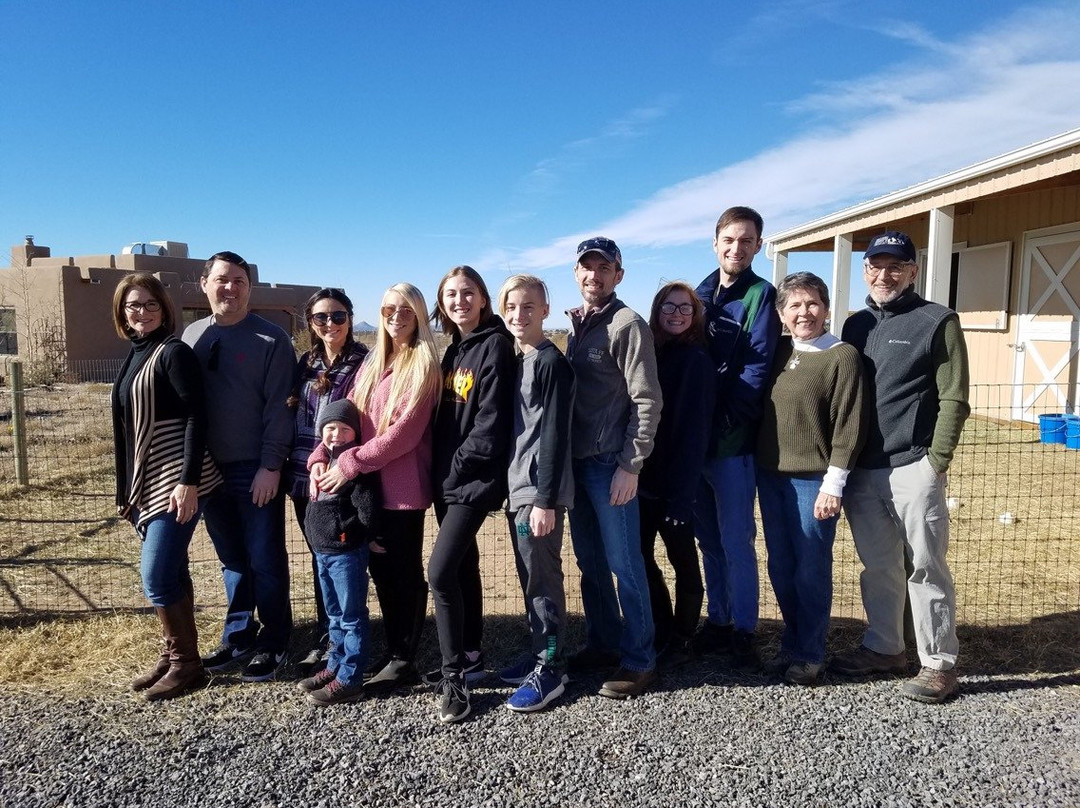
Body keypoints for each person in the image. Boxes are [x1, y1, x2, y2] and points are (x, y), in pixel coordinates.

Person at [832, 231, 970, 704]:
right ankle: (886, 647)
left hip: (913, 465)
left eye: (896, 266)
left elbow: (953, 395)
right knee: (879, 566)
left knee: (926, 565)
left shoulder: (937, 321)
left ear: (913, 270)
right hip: (863, 469)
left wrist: (937, 461)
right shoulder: (854, 326)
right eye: (875, 265)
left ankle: (937, 663)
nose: (883, 274)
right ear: (865, 270)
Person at [308, 283, 441, 690]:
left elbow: (404, 434)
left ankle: (405, 657)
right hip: (366, 489)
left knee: (402, 572)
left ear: (418, 313)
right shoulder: (373, 362)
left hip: (401, 490)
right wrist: (319, 457)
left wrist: (348, 463)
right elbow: (343, 418)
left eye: (405, 309)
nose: (396, 316)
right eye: (388, 308)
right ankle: (389, 649)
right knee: (380, 570)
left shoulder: (423, 364)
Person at [182, 251, 296, 682]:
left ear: (250, 288)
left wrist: (271, 465)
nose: (230, 288)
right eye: (222, 280)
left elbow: (280, 407)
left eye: (239, 281)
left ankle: (274, 639)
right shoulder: (192, 336)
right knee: (231, 558)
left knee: (264, 556)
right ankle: (238, 635)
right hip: (207, 470)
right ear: (204, 283)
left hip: (254, 468)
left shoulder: (270, 339)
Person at [111, 273, 222, 701]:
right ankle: (175, 654)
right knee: (173, 569)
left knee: (156, 575)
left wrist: (188, 481)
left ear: (164, 308)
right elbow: (125, 428)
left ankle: (186, 665)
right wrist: (125, 489)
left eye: (149, 304)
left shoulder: (173, 352)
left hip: (175, 477)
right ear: (122, 313)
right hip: (147, 475)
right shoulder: (134, 353)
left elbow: (198, 416)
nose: (141, 312)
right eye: (133, 306)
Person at [756, 272, 866, 686]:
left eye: (812, 303)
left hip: (813, 482)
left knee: (810, 569)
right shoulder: (779, 352)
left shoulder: (841, 356)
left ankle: (810, 653)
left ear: (826, 307)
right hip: (771, 477)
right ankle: (791, 641)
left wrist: (833, 485)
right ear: (782, 314)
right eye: (795, 306)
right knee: (781, 567)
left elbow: (849, 427)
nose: (804, 313)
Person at [566, 236, 662, 699]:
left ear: (618, 275)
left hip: (610, 465)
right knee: (590, 564)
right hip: (576, 464)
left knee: (625, 564)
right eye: (587, 267)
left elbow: (647, 400)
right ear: (576, 273)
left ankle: (640, 659)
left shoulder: (627, 324)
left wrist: (631, 464)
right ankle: (603, 642)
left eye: (604, 268)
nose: (594, 275)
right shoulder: (576, 326)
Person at [427, 265, 516, 722]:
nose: (459, 300)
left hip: (472, 482)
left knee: (439, 575)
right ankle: (473, 654)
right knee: (464, 566)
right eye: (450, 294)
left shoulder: (496, 347)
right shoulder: (454, 350)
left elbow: (490, 428)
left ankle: (454, 677)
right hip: (447, 481)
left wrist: (453, 472)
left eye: (468, 293)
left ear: (483, 299)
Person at [694, 206, 780, 668]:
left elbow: (756, 366)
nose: (737, 248)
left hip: (730, 442)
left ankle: (745, 629)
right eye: (729, 239)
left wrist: (727, 420)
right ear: (715, 242)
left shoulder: (760, 296)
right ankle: (719, 620)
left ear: (757, 246)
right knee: (708, 540)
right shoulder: (699, 293)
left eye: (746, 241)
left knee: (737, 540)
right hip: (696, 444)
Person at [495, 274, 574, 712]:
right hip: (518, 485)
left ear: (545, 310)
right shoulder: (520, 358)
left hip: (537, 492)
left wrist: (545, 500)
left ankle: (553, 667)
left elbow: (556, 434)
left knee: (543, 579)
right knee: (529, 579)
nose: (519, 315)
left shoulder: (549, 362)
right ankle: (538, 650)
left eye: (529, 306)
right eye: (512, 306)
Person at [285, 288, 368, 674]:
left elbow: (367, 423)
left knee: (345, 560)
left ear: (350, 318)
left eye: (338, 316)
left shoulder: (364, 363)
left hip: (344, 478)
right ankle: (330, 638)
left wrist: (336, 462)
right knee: (321, 556)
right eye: (321, 318)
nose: (330, 324)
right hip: (306, 474)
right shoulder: (307, 362)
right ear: (311, 323)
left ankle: (355, 641)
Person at [638, 282, 715, 670]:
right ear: (658, 309)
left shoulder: (696, 361)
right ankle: (661, 626)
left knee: (684, 560)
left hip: (676, 486)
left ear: (695, 314)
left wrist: (683, 496)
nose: (677, 313)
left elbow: (695, 432)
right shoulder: (651, 353)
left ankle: (684, 635)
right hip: (643, 481)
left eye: (686, 308)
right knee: (639, 557)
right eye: (669, 306)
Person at [295, 399, 380, 706]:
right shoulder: (322, 462)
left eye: (345, 429)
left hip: (346, 552)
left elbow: (367, 508)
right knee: (333, 615)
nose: (336, 435)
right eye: (330, 428)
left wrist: (362, 536)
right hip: (323, 552)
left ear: (355, 434)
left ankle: (351, 678)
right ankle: (335, 665)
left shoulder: (354, 468)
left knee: (351, 616)